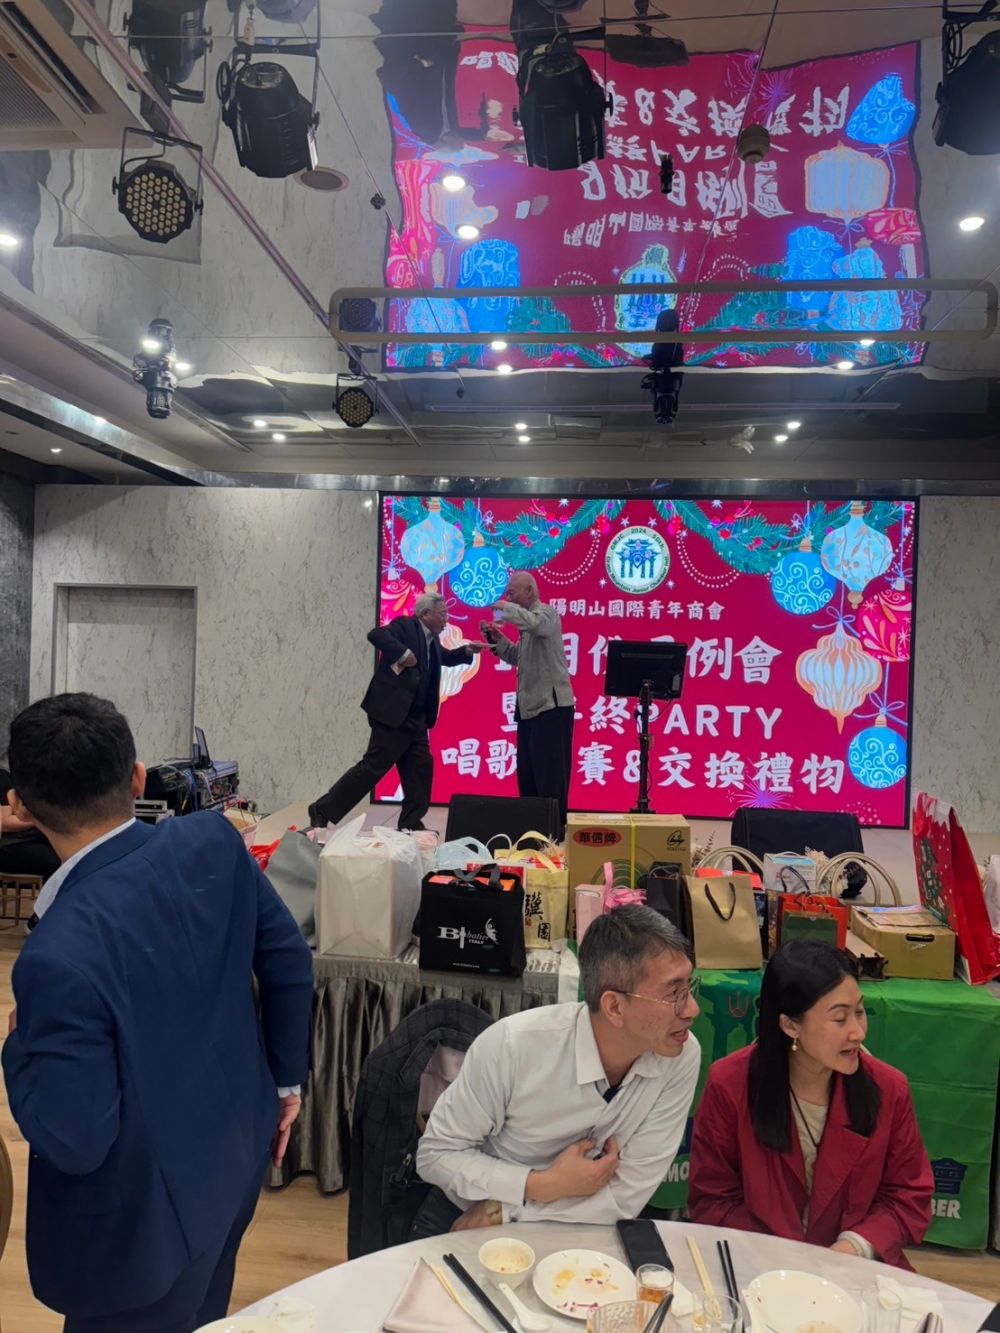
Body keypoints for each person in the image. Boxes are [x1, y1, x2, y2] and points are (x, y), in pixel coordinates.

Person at [2, 692, 314, 1331]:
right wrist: (286, 1082)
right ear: (138, 778)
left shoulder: (55, 957)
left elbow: (73, 1138)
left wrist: (16, 1044)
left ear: (22, 808)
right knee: (204, 1308)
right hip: (234, 1156)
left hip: (137, 1233)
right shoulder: (212, 839)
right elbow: (288, 957)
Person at [413, 904, 700, 1234]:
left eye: (689, 987)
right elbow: (436, 1155)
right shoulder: (513, 1045)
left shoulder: (680, 1055)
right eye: (674, 993)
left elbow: (626, 1195)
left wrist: (505, 1211)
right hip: (465, 1217)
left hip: (563, 1225)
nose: (691, 1009)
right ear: (614, 1006)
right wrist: (539, 1184)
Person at [688, 940, 933, 1269]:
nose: (857, 1032)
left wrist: (853, 1248)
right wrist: (783, 1258)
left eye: (860, 1012)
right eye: (840, 1018)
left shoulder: (889, 1089)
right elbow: (712, 1199)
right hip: (759, 1265)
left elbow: (908, 1196)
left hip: (854, 1269)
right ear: (790, 1025)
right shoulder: (730, 1084)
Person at [309, 593, 484, 832]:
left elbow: (444, 657)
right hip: (393, 715)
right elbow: (376, 635)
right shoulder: (406, 626)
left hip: (417, 719)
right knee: (372, 769)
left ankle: (411, 822)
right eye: (443, 614)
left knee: (420, 770)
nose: (446, 619)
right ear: (426, 614)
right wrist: (403, 654)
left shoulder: (432, 639)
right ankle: (321, 810)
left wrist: (468, 651)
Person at [479, 571, 575, 827]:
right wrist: (497, 641)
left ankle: (554, 831)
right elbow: (517, 657)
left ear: (530, 591)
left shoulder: (546, 615)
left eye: (512, 593)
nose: (508, 597)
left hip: (552, 708)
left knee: (550, 777)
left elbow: (536, 625)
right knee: (528, 774)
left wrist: (506, 608)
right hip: (529, 708)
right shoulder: (526, 627)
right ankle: (533, 828)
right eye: (507, 594)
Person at [0, 756, 59, 881]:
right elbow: (5, 822)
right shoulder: (3, 779)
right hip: (9, 843)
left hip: (30, 836)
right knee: (54, 862)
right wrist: (38, 820)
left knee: (68, 852)